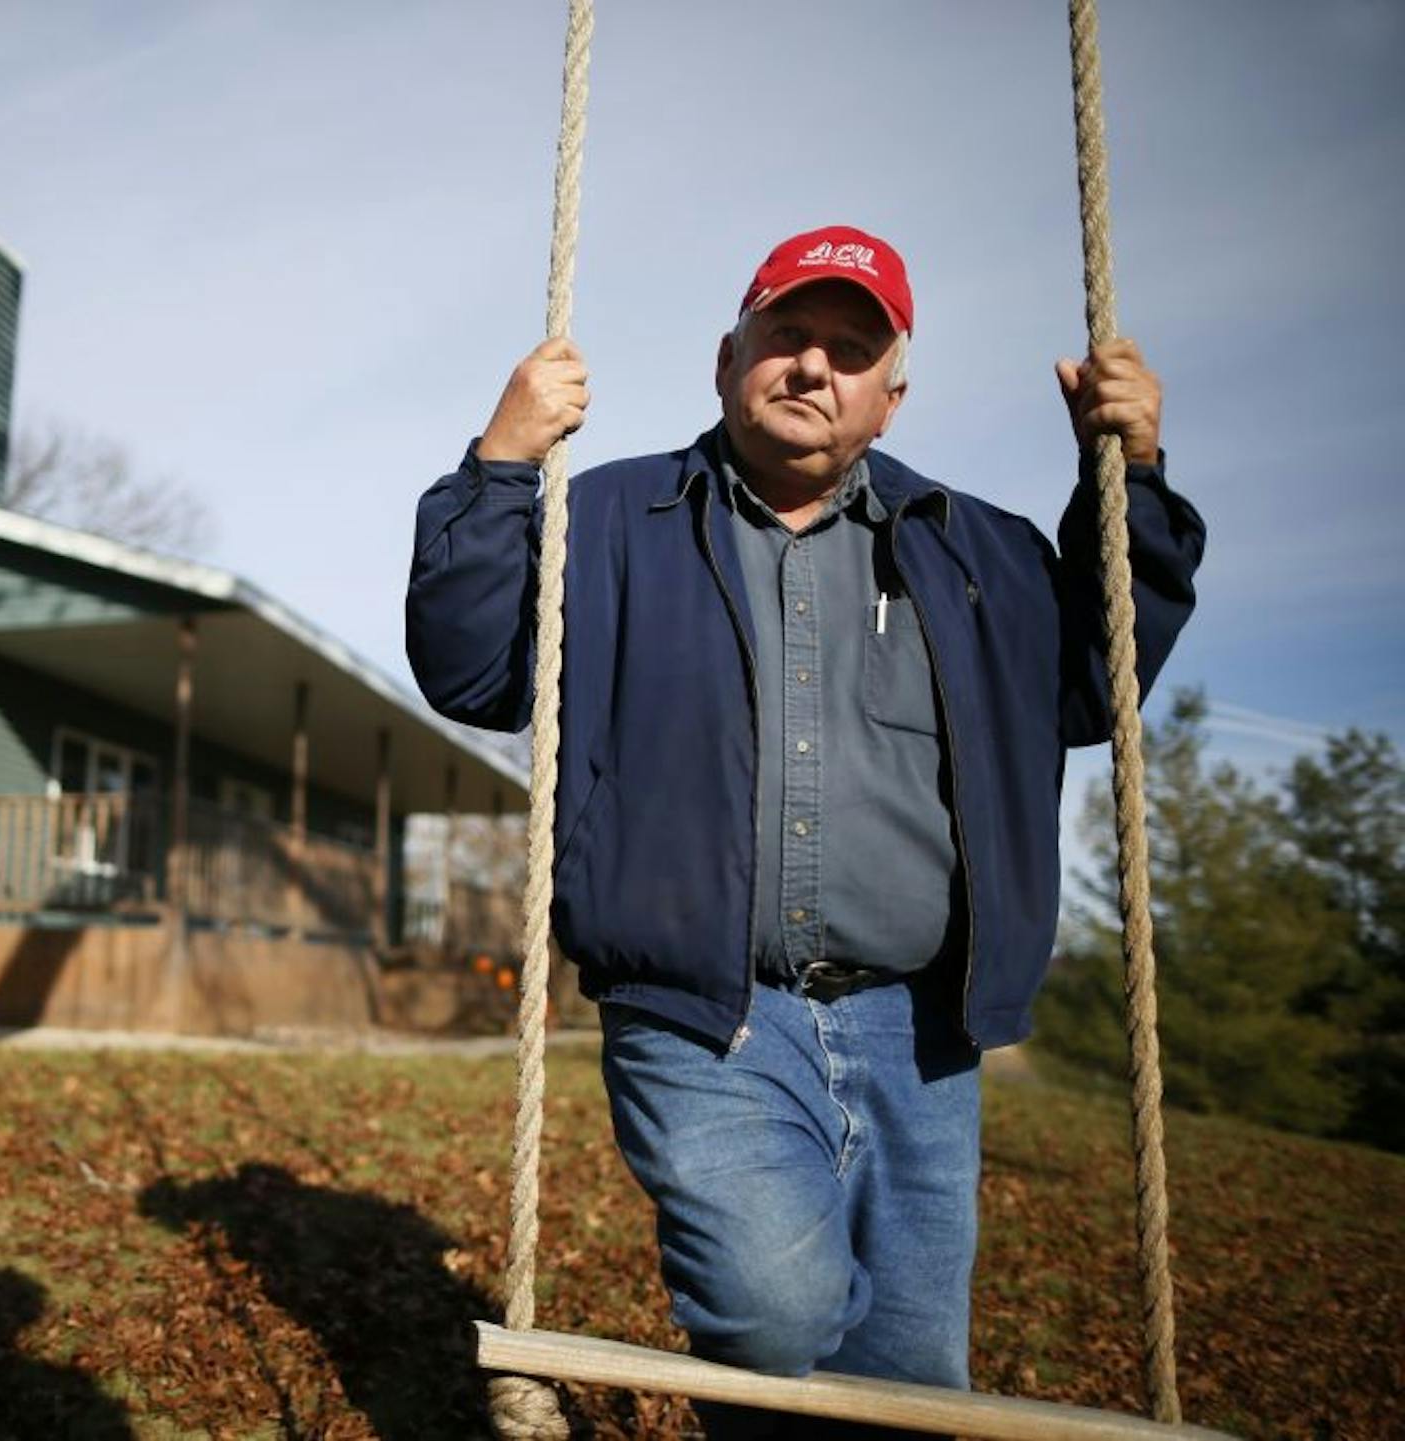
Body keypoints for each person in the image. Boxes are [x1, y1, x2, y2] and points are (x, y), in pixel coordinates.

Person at [406, 226, 1204, 1437]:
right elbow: (470, 672)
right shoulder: (606, 519)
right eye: (786, 335)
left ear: (892, 394)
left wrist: (1131, 478)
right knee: (774, 1307)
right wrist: (502, 462)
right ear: (729, 356)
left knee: (909, 1377)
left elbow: (1100, 682)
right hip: (699, 1010)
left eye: (849, 348)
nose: (811, 366)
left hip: (923, 1025)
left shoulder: (977, 549)